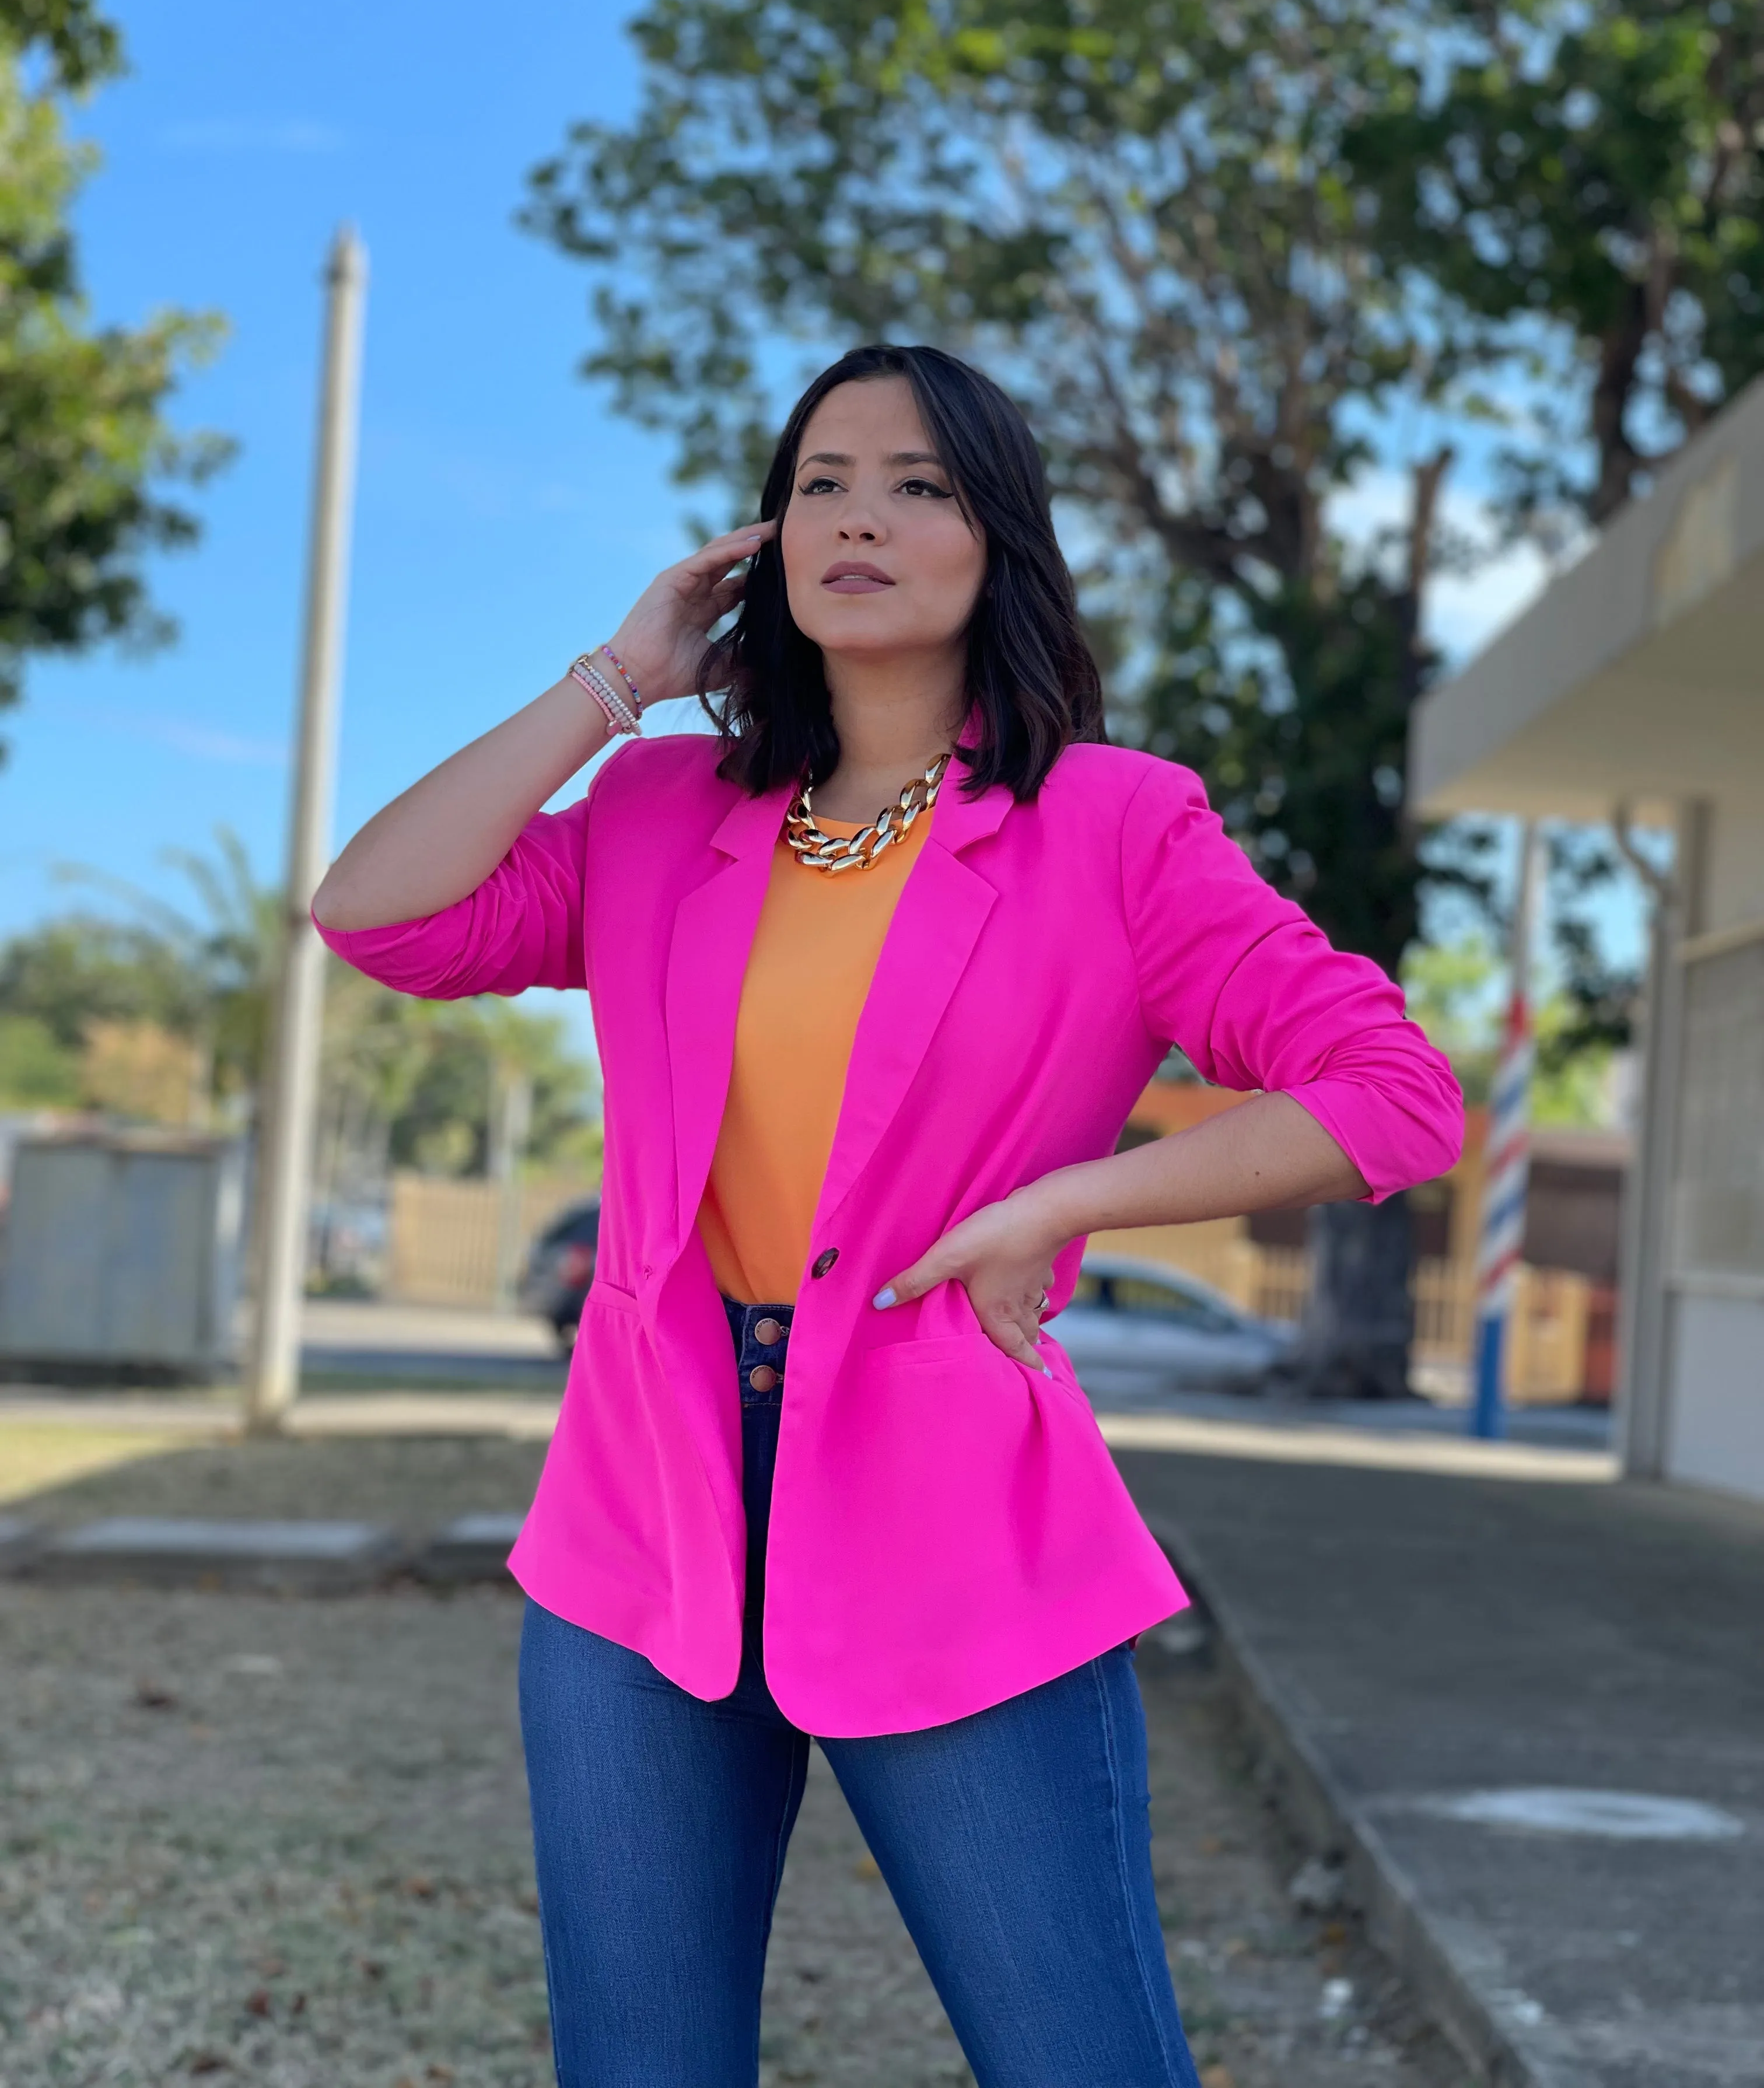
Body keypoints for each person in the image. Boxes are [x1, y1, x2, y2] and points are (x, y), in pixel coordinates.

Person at [314, 343, 1463, 2088]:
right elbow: (376, 914)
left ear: (998, 538)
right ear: (763, 541)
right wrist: (622, 678)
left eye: (920, 485)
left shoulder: (1115, 828)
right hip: (644, 1517)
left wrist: (1070, 1202)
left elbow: (1393, 1094)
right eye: (822, 482)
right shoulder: (655, 813)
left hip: (954, 1514)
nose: (861, 516)